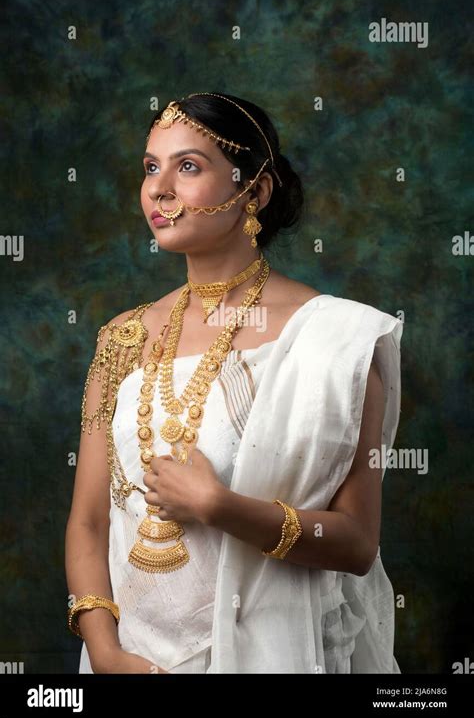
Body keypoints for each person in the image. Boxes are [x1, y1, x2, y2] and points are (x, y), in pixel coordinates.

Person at [65, 92, 403, 674]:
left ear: (256, 190)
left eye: (188, 166)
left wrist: (218, 506)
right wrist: (104, 651)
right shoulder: (122, 338)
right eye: (151, 167)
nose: (159, 188)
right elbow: (90, 522)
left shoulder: (332, 338)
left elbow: (355, 544)